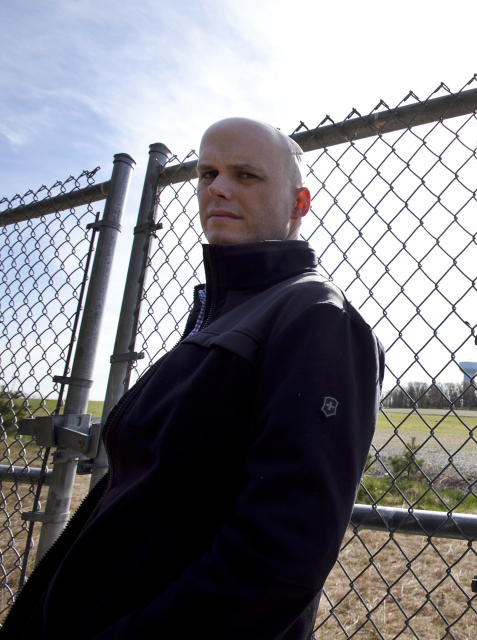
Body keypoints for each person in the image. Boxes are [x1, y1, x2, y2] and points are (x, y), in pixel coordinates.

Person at [1, 118, 383, 639]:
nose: (217, 188)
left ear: (299, 204)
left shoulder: (315, 317)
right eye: (207, 173)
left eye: (246, 175)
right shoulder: (225, 312)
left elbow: (278, 561)